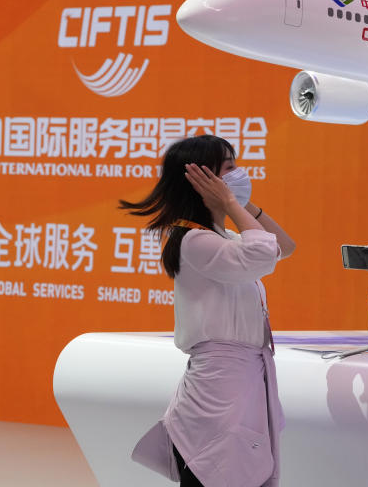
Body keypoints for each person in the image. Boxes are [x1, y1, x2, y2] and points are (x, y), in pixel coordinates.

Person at [123, 135, 295, 487]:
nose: (239, 174)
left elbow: (284, 247)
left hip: (238, 381)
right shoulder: (194, 241)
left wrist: (242, 206)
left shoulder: (221, 237)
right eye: (228, 169)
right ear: (204, 181)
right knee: (223, 469)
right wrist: (231, 203)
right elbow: (263, 255)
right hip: (221, 386)